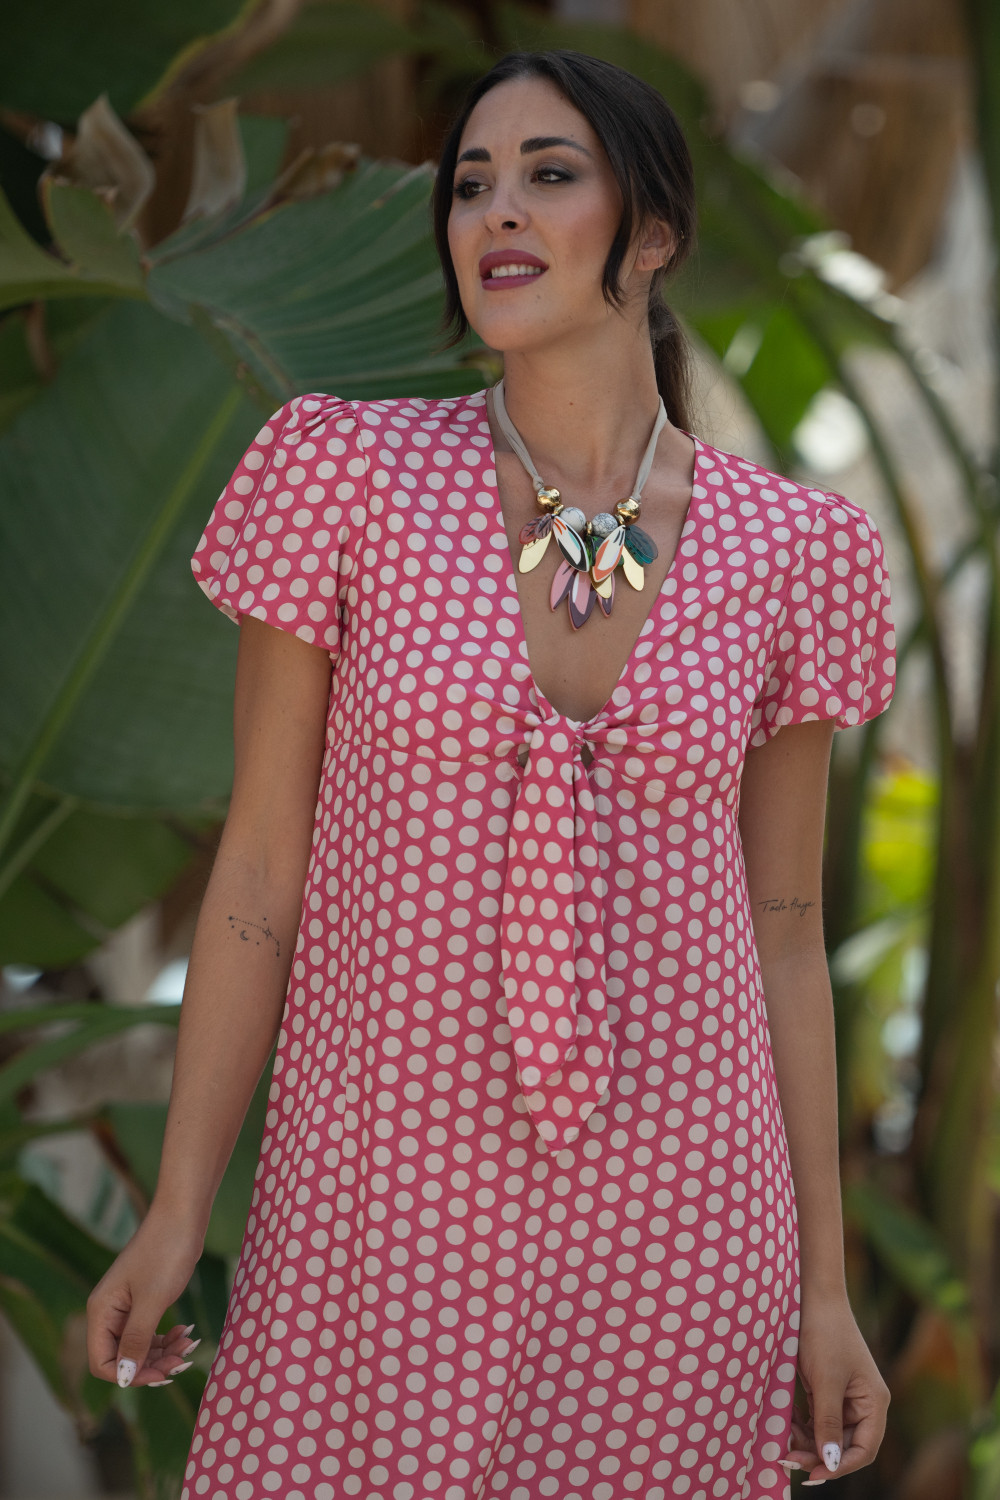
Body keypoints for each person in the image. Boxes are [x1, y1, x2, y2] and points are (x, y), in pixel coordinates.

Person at [86, 47, 895, 1499]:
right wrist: (175, 1211)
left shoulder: (796, 552)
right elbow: (258, 876)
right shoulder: (347, 479)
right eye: (471, 185)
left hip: (682, 1227)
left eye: (548, 174)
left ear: (654, 236)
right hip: (378, 1209)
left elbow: (784, 931)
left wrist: (825, 1289)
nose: (496, 212)